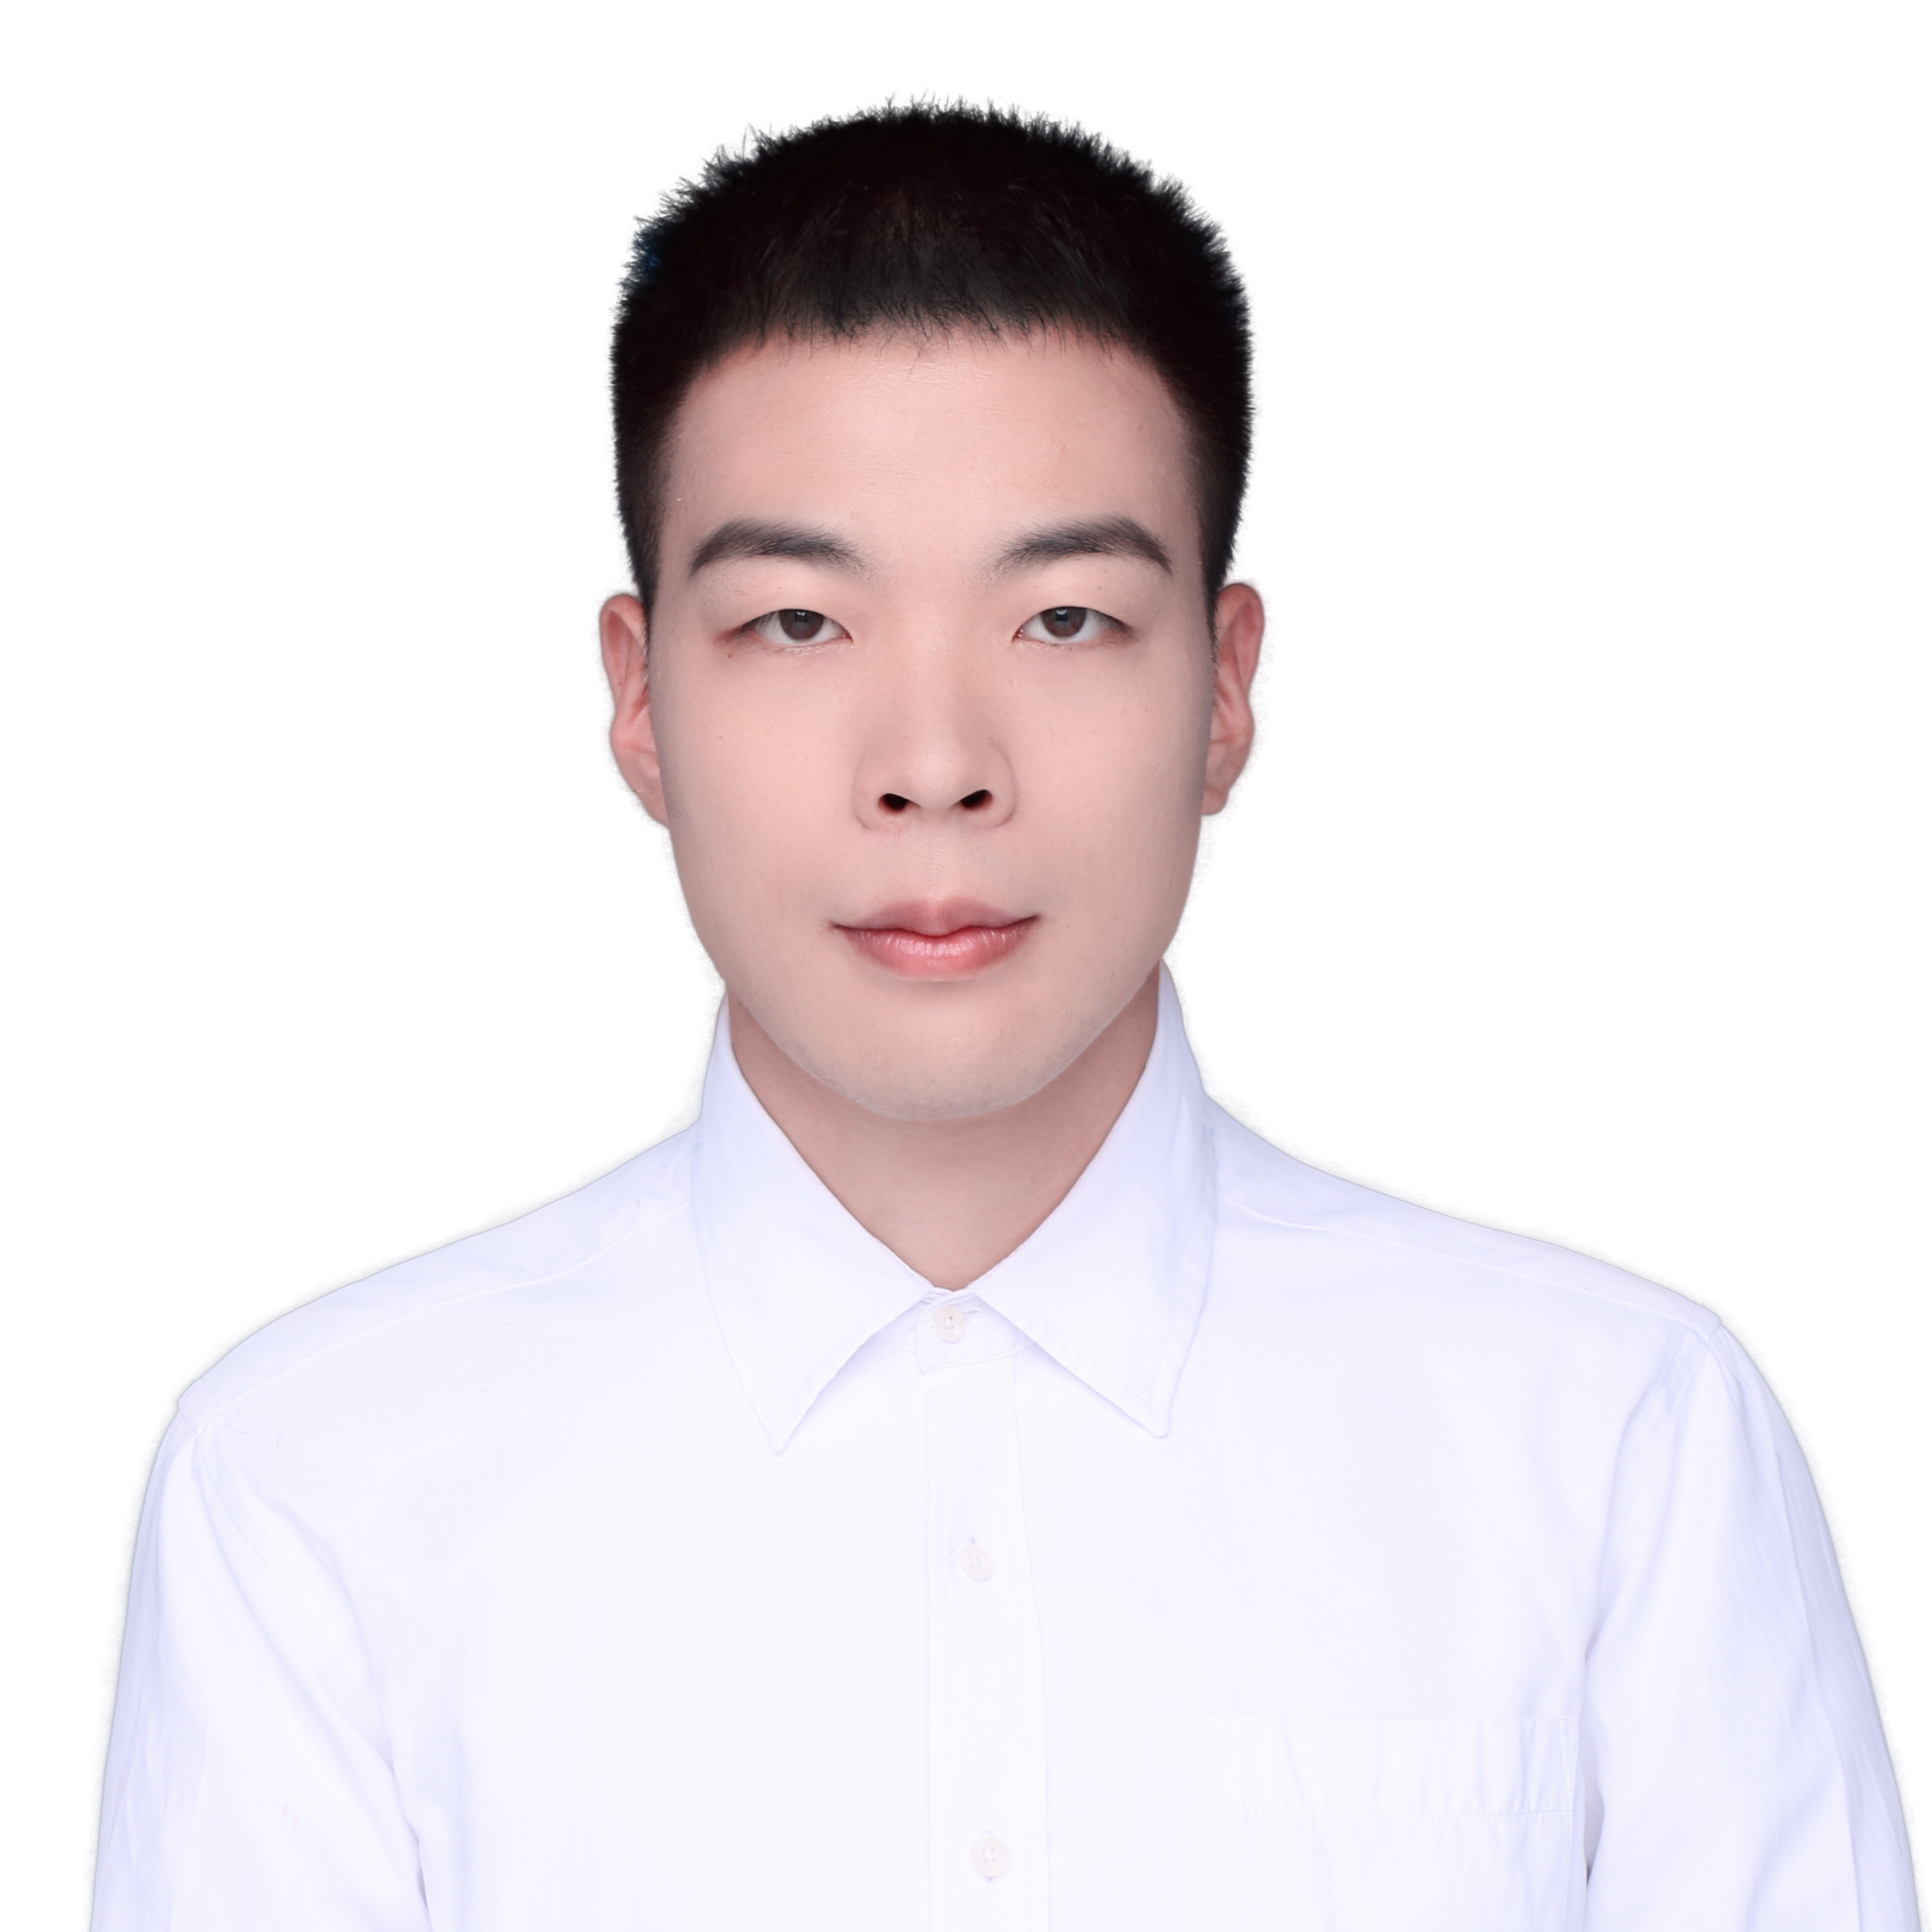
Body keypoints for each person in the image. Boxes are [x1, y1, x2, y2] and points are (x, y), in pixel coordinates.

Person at [91, 105, 1918, 1931]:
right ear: (640, 704)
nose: (937, 763)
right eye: (798, 623)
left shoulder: (1615, 1446)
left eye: (1061, 620)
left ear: (1224, 689)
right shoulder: (320, 1486)